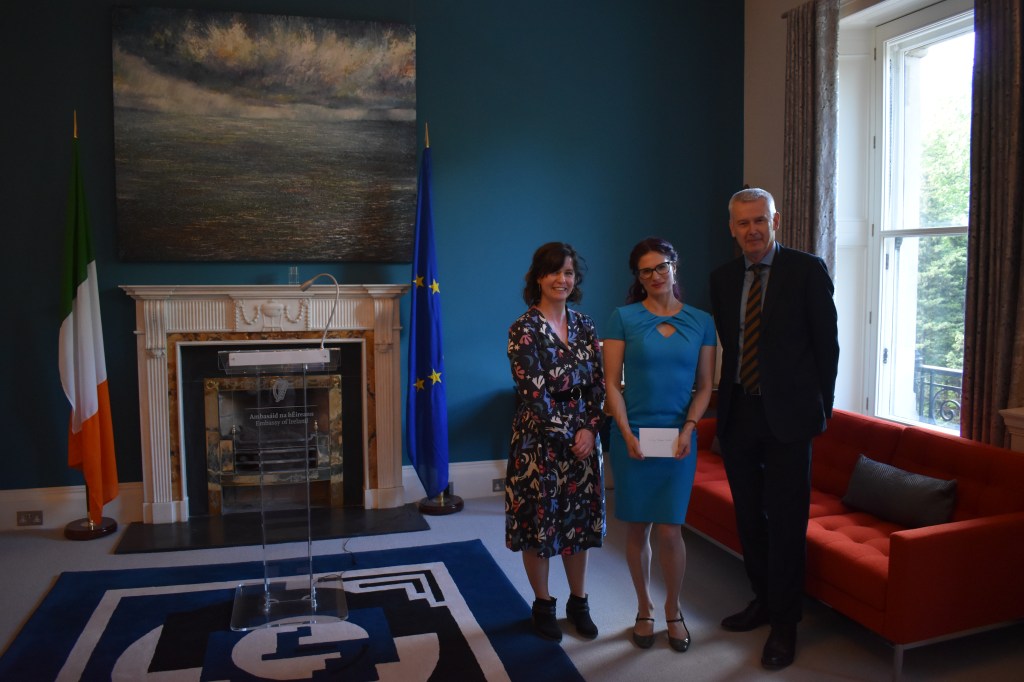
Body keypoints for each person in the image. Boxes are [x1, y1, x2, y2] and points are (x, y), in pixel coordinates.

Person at [709, 188, 839, 670]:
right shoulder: (722, 279)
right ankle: (763, 600)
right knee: (749, 518)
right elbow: (731, 346)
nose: (752, 230)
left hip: (790, 419)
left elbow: (827, 346)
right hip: (740, 413)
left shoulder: (807, 270)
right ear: (732, 229)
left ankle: (786, 623)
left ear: (775, 221)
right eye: (743, 223)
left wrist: (820, 409)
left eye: (760, 220)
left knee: (787, 522)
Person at [603, 237, 717, 652]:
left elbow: (705, 386)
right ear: (638, 277)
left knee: (670, 529)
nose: (655, 275)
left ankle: (673, 608)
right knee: (637, 527)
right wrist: (625, 431)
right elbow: (611, 385)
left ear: (674, 266)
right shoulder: (623, 318)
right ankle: (644, 608)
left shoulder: (702, 321)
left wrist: (689, 428)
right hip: (632, 436)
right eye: (645, 270)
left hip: (679, 439)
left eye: (661, 266)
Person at [505, 241, 607, 642]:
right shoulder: (523, 329)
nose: (562, 279)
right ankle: (543, 603)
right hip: (539, 444)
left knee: (578, 525)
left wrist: (590, 429)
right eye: (554, 272)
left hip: (584, 439)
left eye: (568, 272)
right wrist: (568, 435)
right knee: (539, 526)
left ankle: (578, 603)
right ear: (538, 278)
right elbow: (534, 394)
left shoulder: (586, 325)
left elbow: (599, 383)